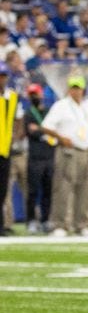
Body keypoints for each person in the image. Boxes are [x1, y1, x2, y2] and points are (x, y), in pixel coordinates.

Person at [40, 75, 88, 236]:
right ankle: (60, 224)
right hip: (67, 151)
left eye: (78, 88)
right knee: (63, 187)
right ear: (69, 89)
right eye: (73, 88)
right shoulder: (61, 106)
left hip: (85, 150)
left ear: (83, 90)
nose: (76, 91)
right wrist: (61, 138)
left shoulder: (86, 106)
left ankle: (81, 224)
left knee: (84, 188)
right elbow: (46, 126)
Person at [22, 84, 54, 233]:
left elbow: (51, 130)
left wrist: (40, 130)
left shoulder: (48, 112)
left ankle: (45, 219)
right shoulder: (28, 113)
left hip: (49, 156)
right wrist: (45, 132)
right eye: (32, 94)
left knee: (48, 190)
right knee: (33, 191)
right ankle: (31, 220)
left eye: (36, 94)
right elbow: (31, 132)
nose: (34, 97)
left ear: (41, 95)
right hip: (35, 157)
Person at [0, 65, 20, 235]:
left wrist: (16, 135)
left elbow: (18, 118)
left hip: (5, 150)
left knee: (3, 190)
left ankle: (1, 225)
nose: (1, 79)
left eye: (3, 76)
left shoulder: (12, 96)